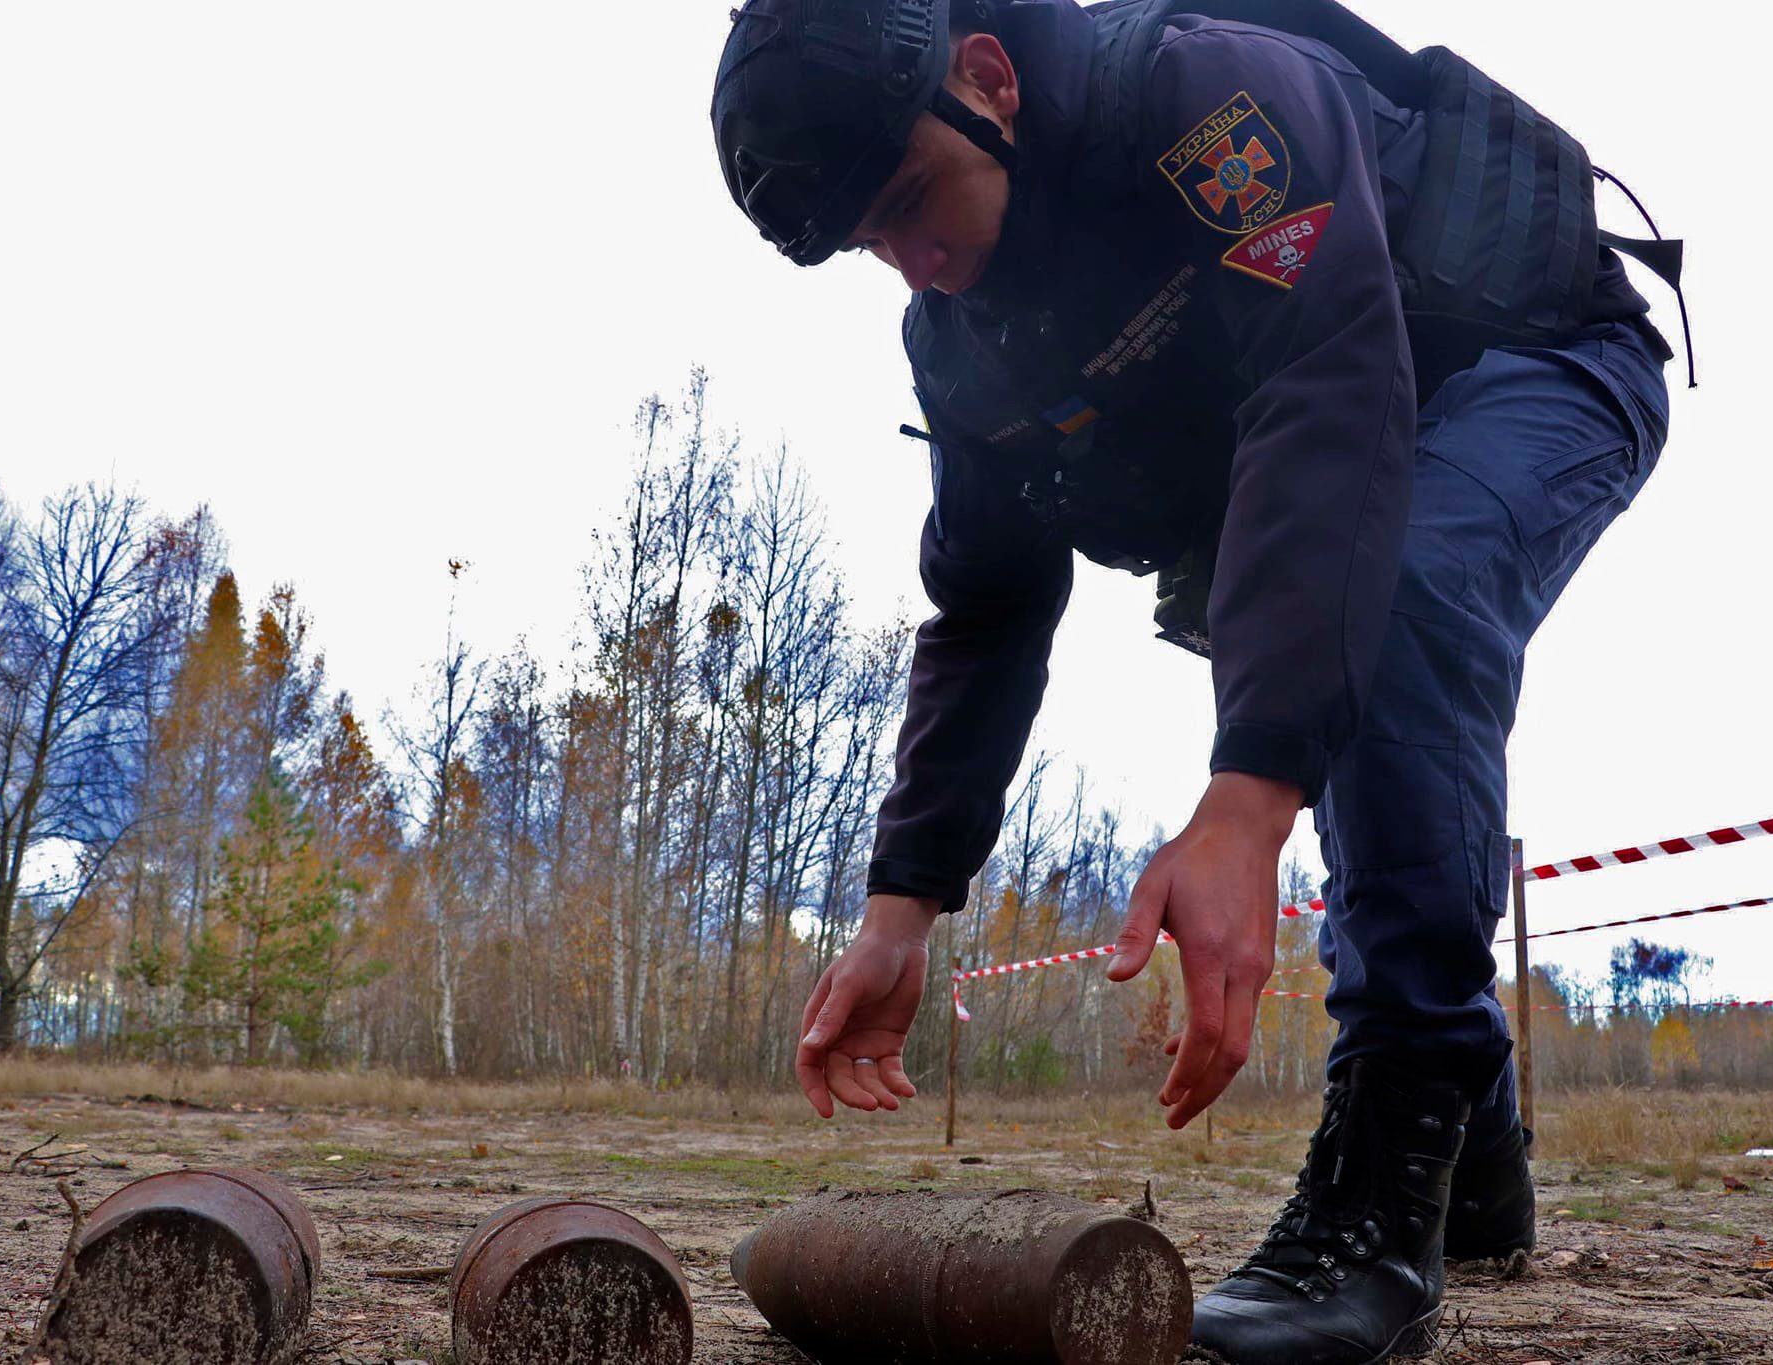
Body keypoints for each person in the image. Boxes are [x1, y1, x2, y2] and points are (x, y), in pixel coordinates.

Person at [711, 1, 1676, 1360]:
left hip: (1530, 353)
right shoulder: (959, 333)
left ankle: (1385, 1175)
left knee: (1395, 597)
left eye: (917, 198)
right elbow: (988, 600)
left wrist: (1244, 800)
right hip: (1349, 455)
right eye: (877, 239)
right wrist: (903, 896)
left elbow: (1330, 381)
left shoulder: (1203, 98)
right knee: (1345, 660)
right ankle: (1476, 1154)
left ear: (987, 81)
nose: (918, 261)